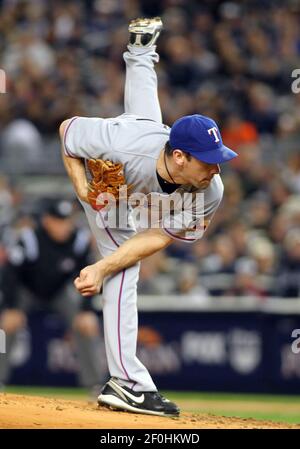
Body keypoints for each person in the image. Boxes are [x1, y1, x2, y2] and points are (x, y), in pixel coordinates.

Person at [59, 17, 238, 417]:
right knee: (126, 273)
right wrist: (83, 189)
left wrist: (101, 266)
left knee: (120, 263)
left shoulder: (211, 188)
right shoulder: (119, 144)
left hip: (148, 166)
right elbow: (67, 131)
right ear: (180, 156)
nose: (217, 168)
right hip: (114, 191)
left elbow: (158, 236)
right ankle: (128, 383)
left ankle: (140, 52)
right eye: (209, 161)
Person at [0, 198, 105, 394]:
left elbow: (89, 277)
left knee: (87, 324)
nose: (63, 225)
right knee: (5, 325)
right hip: (26, 289)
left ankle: (95, 385)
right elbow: (10, 274)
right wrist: (11, 307)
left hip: (60, 291)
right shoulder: (30, 238)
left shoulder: (79, 241)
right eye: (58, 220)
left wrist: (86, 309)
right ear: (47, 221)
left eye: (66, 220)